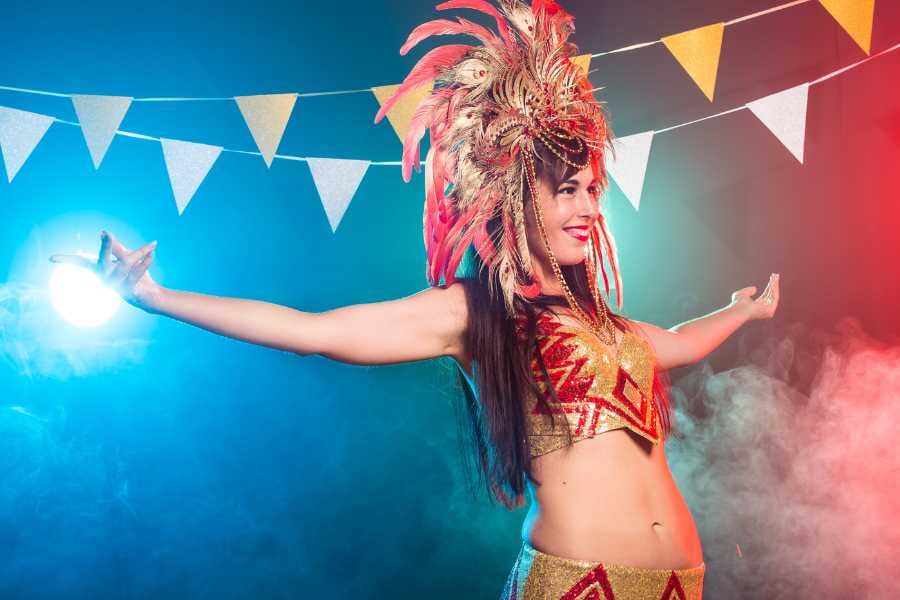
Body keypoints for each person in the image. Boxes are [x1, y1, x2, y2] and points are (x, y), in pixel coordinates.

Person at [50, 1, 780, 597]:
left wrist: (742, 312)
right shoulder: (476, 314)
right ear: (511, 196)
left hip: (683, 585)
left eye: (591, 188)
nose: (588, 206)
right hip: (579, 585)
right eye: (566, 190)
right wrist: (155, 295)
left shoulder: (613, 326)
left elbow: (681, 340)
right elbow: (315, 331)